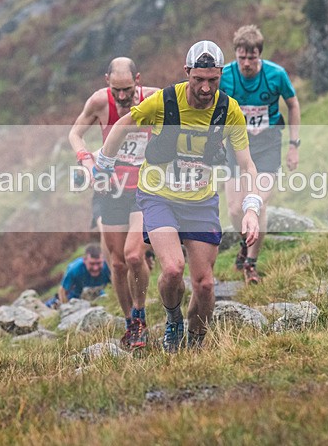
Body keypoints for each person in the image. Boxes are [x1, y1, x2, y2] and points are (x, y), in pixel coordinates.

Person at [95, 40, 262, 353]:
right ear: (187, 72)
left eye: (213, 80)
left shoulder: (228, 110)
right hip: (158, 197)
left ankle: (195, 343)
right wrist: (104, 165)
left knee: (205, 284)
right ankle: (173, 320)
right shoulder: (164, 100)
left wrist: (252, 207)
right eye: (198, 79)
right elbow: (124, 123)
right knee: (172, 269)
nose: (205, 88)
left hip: (200, 202)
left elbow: (247, 164)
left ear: (221, 74)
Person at [69, 57, 160, 349]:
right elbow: (75, 133)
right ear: (107, 80)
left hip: (145, 188)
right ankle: (130, 321)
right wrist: (86, 161)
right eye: (116, 90)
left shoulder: (154, 98)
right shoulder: (99, 101)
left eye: (128, 90)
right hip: (112, 190)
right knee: (118, 264)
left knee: (134, 256)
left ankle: (141, 314)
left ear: (138, 80)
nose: (122, 97)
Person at [220, 25, 301, 284]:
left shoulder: (276, 74)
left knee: (257, 202)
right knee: (235, 208)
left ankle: (251, 263)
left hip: (267, 144)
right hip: (236, 145)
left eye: (252, 58)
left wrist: (294, 145)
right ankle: (245, 242)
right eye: (241, 57)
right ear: (235, 54)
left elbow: (293, 104)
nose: (246, 63)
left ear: (260, 55)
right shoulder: (225, 76)